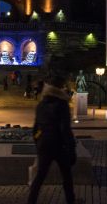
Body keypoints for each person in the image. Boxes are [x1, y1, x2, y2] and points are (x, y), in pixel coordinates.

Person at [28, 75, 76, 204]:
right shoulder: (62, 104)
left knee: (39, 177)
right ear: (61, 89)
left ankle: (31, 201)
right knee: (66, 176)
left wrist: (39, 143)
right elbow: (65, 129)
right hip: (59, 145)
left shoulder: (41, 105)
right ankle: (70, 201)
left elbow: (35, 129)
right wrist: (71, 148)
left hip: (44, 144)